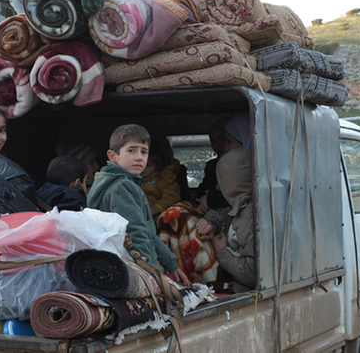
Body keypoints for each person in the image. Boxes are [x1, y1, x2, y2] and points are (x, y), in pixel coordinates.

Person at [87, 124, 190, 287]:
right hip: (131, 268)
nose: (139, 157)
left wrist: (171, 264)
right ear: (112, 156)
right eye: (131, 150)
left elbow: (148, 232)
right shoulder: (121, 187)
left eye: (144, 151)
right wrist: (150, 275)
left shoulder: (125, 182)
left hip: (129, 267)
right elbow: (136, 232)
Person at [208, 148, 255, 293]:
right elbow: (224, 215)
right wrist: (212, 223)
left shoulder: (250, 217)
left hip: (242, 293)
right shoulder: (242, 206)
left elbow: (252, 274)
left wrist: (222, 251)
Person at [141, 133, 183, 216]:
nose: (142, 168)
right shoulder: (130, 178)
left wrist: (156, 208)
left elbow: (172, 197)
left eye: (148, 165)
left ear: (157, 165)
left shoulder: (164, 180)